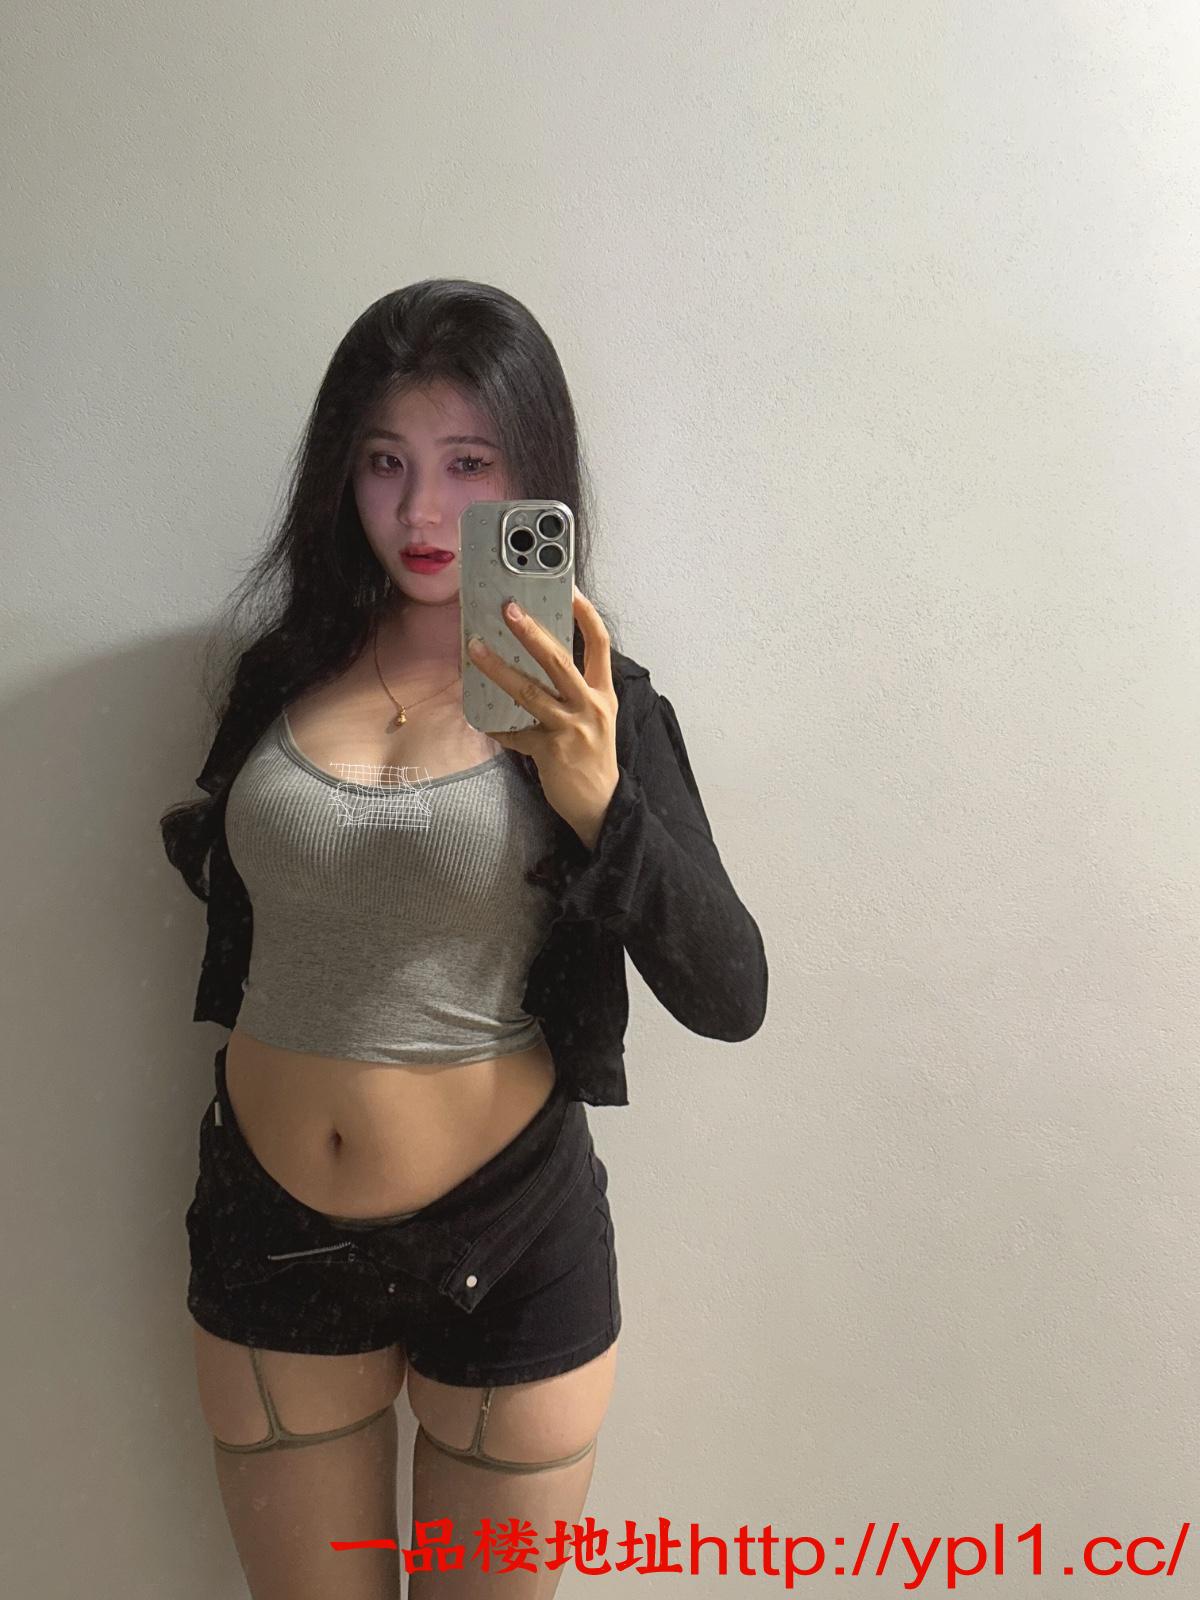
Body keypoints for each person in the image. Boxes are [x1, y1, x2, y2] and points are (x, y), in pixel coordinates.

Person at [160, 279, 768, 1599]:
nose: (424, 514)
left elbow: (731, 992)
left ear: (535, 477)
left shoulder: (597, 703)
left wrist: (598, 800)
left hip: (507, 1232)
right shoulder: (280, 675)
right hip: (269, 1227)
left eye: (469, 464)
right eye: (386, 463)